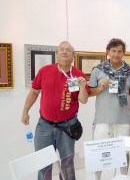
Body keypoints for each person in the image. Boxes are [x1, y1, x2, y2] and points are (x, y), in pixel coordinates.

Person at [21, 41, 89, 180]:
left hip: (68, 126)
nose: (64, 52)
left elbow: (83, 100)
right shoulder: (44, 71)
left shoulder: (77, 74)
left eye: (68, 50)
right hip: (44, 126)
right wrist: (25, 111)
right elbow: (34, 93)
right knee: (43, 165)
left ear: (73, 56)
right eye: (61, 50)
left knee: (67, 166)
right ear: (57, 54)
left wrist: (82, 87)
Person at [88, 38, 130, 180]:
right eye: (114, 51)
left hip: (123, 120)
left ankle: (123, 178)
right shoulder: (98, 70)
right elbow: (89, 93)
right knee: (98, 155)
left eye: (119, 51)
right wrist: (101, 87)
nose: (116, 54)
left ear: (123, 53)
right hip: (102, 121)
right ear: (108, 52)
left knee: (123, 155)